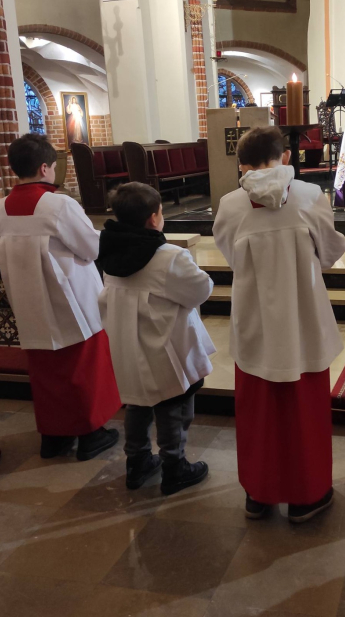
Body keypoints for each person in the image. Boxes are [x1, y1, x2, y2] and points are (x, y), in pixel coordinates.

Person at [213, 126, 345, 522]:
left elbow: (231, 258)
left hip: (255, 323)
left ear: (241, 165)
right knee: (305, 413)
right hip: (303, 322)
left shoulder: (229, 205)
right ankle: (307, 496)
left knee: (258, 412)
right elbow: (331, 253)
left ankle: (259, 494)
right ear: (285, 157)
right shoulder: (309, 195)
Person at [0, 134, 121, 461]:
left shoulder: (2, 207)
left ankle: (54, 438)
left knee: (46, 371)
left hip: (29, 301)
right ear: (44, 168)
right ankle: (91, 434)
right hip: (70, 300)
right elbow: (91, 248)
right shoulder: (59, 204)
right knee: (81, 367)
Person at [98, 182, 214, 495]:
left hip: (128, 344)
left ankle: (136, 463)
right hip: (166, 345)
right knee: (174, 403)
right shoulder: (168, 256)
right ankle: (175, 467)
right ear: (154, 218)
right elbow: (201, 290)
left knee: (138, 402)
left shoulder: (109, 252)